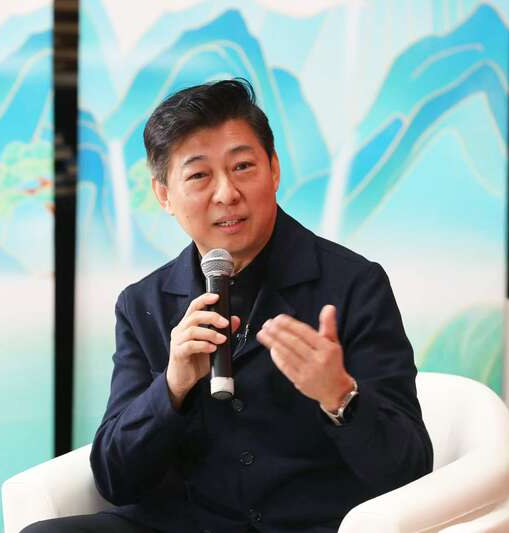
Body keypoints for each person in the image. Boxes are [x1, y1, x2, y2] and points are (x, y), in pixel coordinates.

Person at [23, 79, 433, 533]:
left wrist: (340, 396)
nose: (226, 193)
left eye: (242, 167)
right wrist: (172, 386)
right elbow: (115, 479)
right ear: (164, 195)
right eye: (199, 175)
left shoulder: (353, 284)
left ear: (274, 170)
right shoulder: (143, 304)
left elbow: (410, 468)